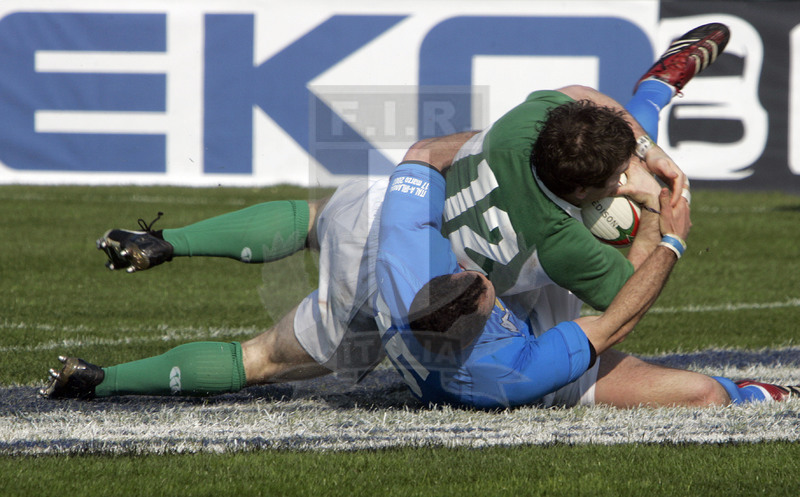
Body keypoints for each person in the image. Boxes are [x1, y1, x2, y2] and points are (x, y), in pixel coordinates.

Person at [44, 22, 794, 406]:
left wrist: (472, 149)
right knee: (260, 361)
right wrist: (661, 223)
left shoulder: (520, 130)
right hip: (416, 311)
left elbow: (432, 151)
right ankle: (99, 379)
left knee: (317, 220)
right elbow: (623, 304)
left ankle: (166, 246)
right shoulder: (550, 272)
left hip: (387, 242)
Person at [374, 158, 799, 408]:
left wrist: (489, 152)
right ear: (486, 323)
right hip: (530, 358)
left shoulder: (407, 261)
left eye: (465, 274)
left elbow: (424, 153)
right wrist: (670, 242)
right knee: (705, 394)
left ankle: (646, 123)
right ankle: (759, 393)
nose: (481, 274)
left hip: (481, 333)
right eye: (483, 285)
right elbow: (615, 322)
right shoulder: (511, 369)